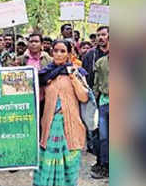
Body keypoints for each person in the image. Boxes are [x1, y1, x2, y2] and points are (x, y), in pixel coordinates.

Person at [33, 39, 89, 186]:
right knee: (47, 163)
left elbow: (84, 97)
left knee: (69, 164)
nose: (58, 54)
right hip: (50, 126)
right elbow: (38, 98)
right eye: (56, 50)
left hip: (71, 125)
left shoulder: (77, 72)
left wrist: (73, 77)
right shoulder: (45, 74)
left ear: (69, 54)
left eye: (62, 51)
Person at [91, 54, 109, 179]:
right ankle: (104, 165)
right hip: (104, 102)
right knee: (103, 137)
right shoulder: (101, 62)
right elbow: (96, 84)